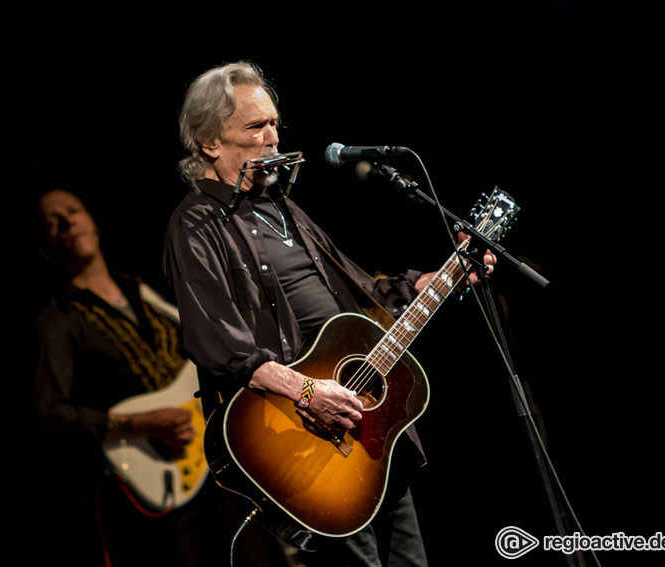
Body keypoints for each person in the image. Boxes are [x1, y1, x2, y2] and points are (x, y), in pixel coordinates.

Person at [163, 61, 497, 567]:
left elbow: (361, 297)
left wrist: (430, 282)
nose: (273, 137)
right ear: (210, 141)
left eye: (275, 123)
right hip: (302, 434)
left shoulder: (285, 210)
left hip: (364, 424)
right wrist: (307, 392)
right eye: (256, 127)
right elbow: (218, 345)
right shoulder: (195, 223)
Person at [31, 187, 292, 567]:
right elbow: (51, 412)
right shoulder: (58, 320)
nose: (67, 221)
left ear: (91, 219)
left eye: (73, 210)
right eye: (53, 222)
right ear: (45, 245)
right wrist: (141, 423)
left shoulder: (147, 288)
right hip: (156, 483)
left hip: (218, 464)